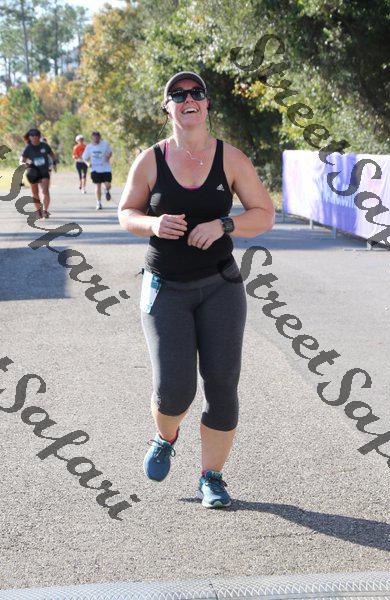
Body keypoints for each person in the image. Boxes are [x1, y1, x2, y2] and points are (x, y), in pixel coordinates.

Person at [118, 71, 275, 509]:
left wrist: (225, 224)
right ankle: (165, 435)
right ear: (167, 108)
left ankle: (212, 478)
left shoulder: (231, 158)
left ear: (206, 105)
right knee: (175, 390)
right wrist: (153, 223)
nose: (188, 98)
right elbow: (126, 212)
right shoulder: (150, 160)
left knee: (222, 386)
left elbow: (264, 213)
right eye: (178, 94)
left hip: (220, 285)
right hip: (164, 287)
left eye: (196, 93)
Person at [20, 128, 57, 219]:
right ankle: (38, 211)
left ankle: (45, 211)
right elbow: (21, 160)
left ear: (39, 136)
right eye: (32, 135)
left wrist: (54, 163)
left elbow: (52, 155)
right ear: (29, 137)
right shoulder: (28, 148)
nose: (34, 137)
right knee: (35, 193)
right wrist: (25, 165)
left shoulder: (44, 145)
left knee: (45, 191)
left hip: (44, 171)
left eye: (36, 135)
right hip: (33, 172)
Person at [82, 131, 112, 210]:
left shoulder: (105, 144)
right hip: (95, 169)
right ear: (92, 138)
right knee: (98, 186)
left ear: (100, 137)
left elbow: (110, 152)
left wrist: (108, 157)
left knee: (108, 185)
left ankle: (107, 191)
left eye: (97, 136)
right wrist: (88, 163)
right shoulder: (89, 147)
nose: (96, 138)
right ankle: (98, 202)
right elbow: (84, 158)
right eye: (94, 136)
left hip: (105, 168)